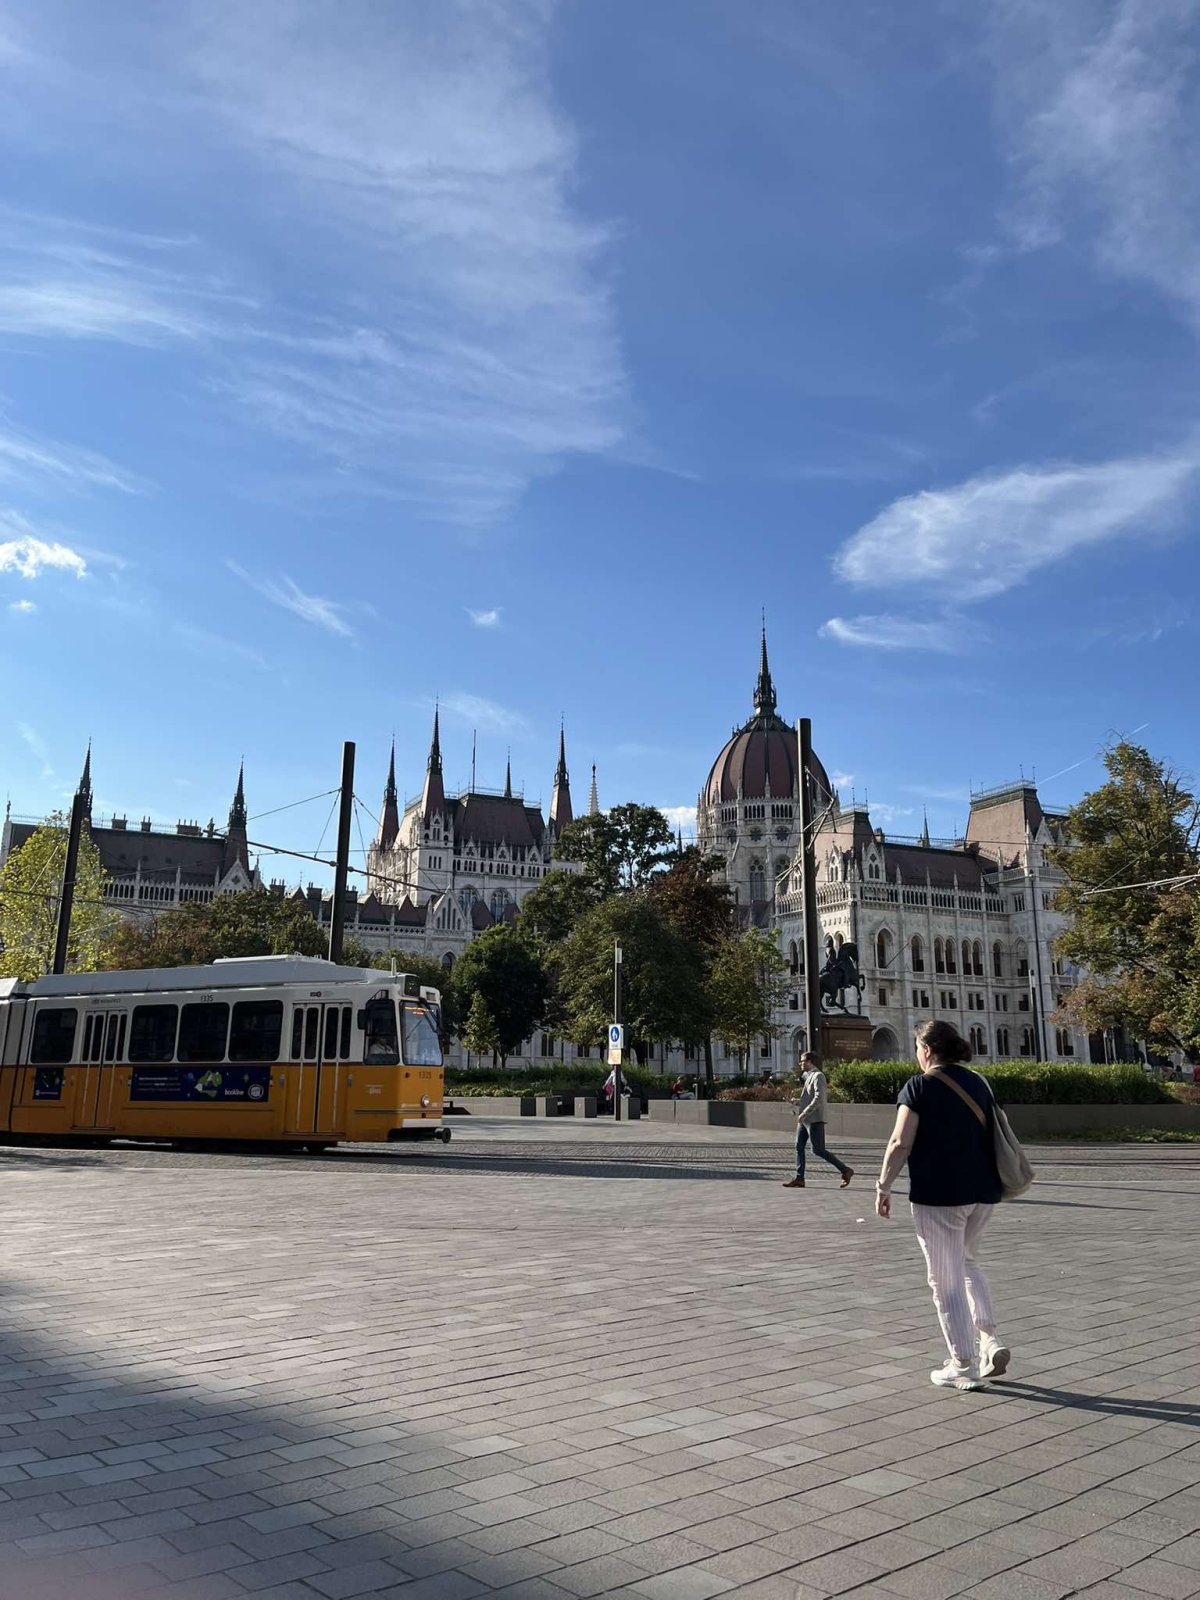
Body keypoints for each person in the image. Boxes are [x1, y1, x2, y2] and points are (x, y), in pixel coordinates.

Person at [875, 1019, 1008, 1392]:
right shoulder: (978, 1082)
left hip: (939, 1195)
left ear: (927, 1050)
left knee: (944, 1279)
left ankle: (963, 1364)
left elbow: (900, 1142)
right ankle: (989, 1340)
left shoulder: (919, 1086)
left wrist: (883, 1185)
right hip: (983, 1192)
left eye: (917, 1048)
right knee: (967, 1262)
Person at [782, 1051, 853, 1191]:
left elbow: (819, 1098)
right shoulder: (809, 1076)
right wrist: (797, 1101)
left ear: (810, 1062)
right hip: (805, 1119)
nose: (800, 1063)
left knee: (818, 1150)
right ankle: (799, 1178)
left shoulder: (818, 1076)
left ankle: (845, 1170)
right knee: (799, 1146)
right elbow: (810, 1097)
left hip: (814, 1119)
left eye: (802, 1061)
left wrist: (804, 1113)